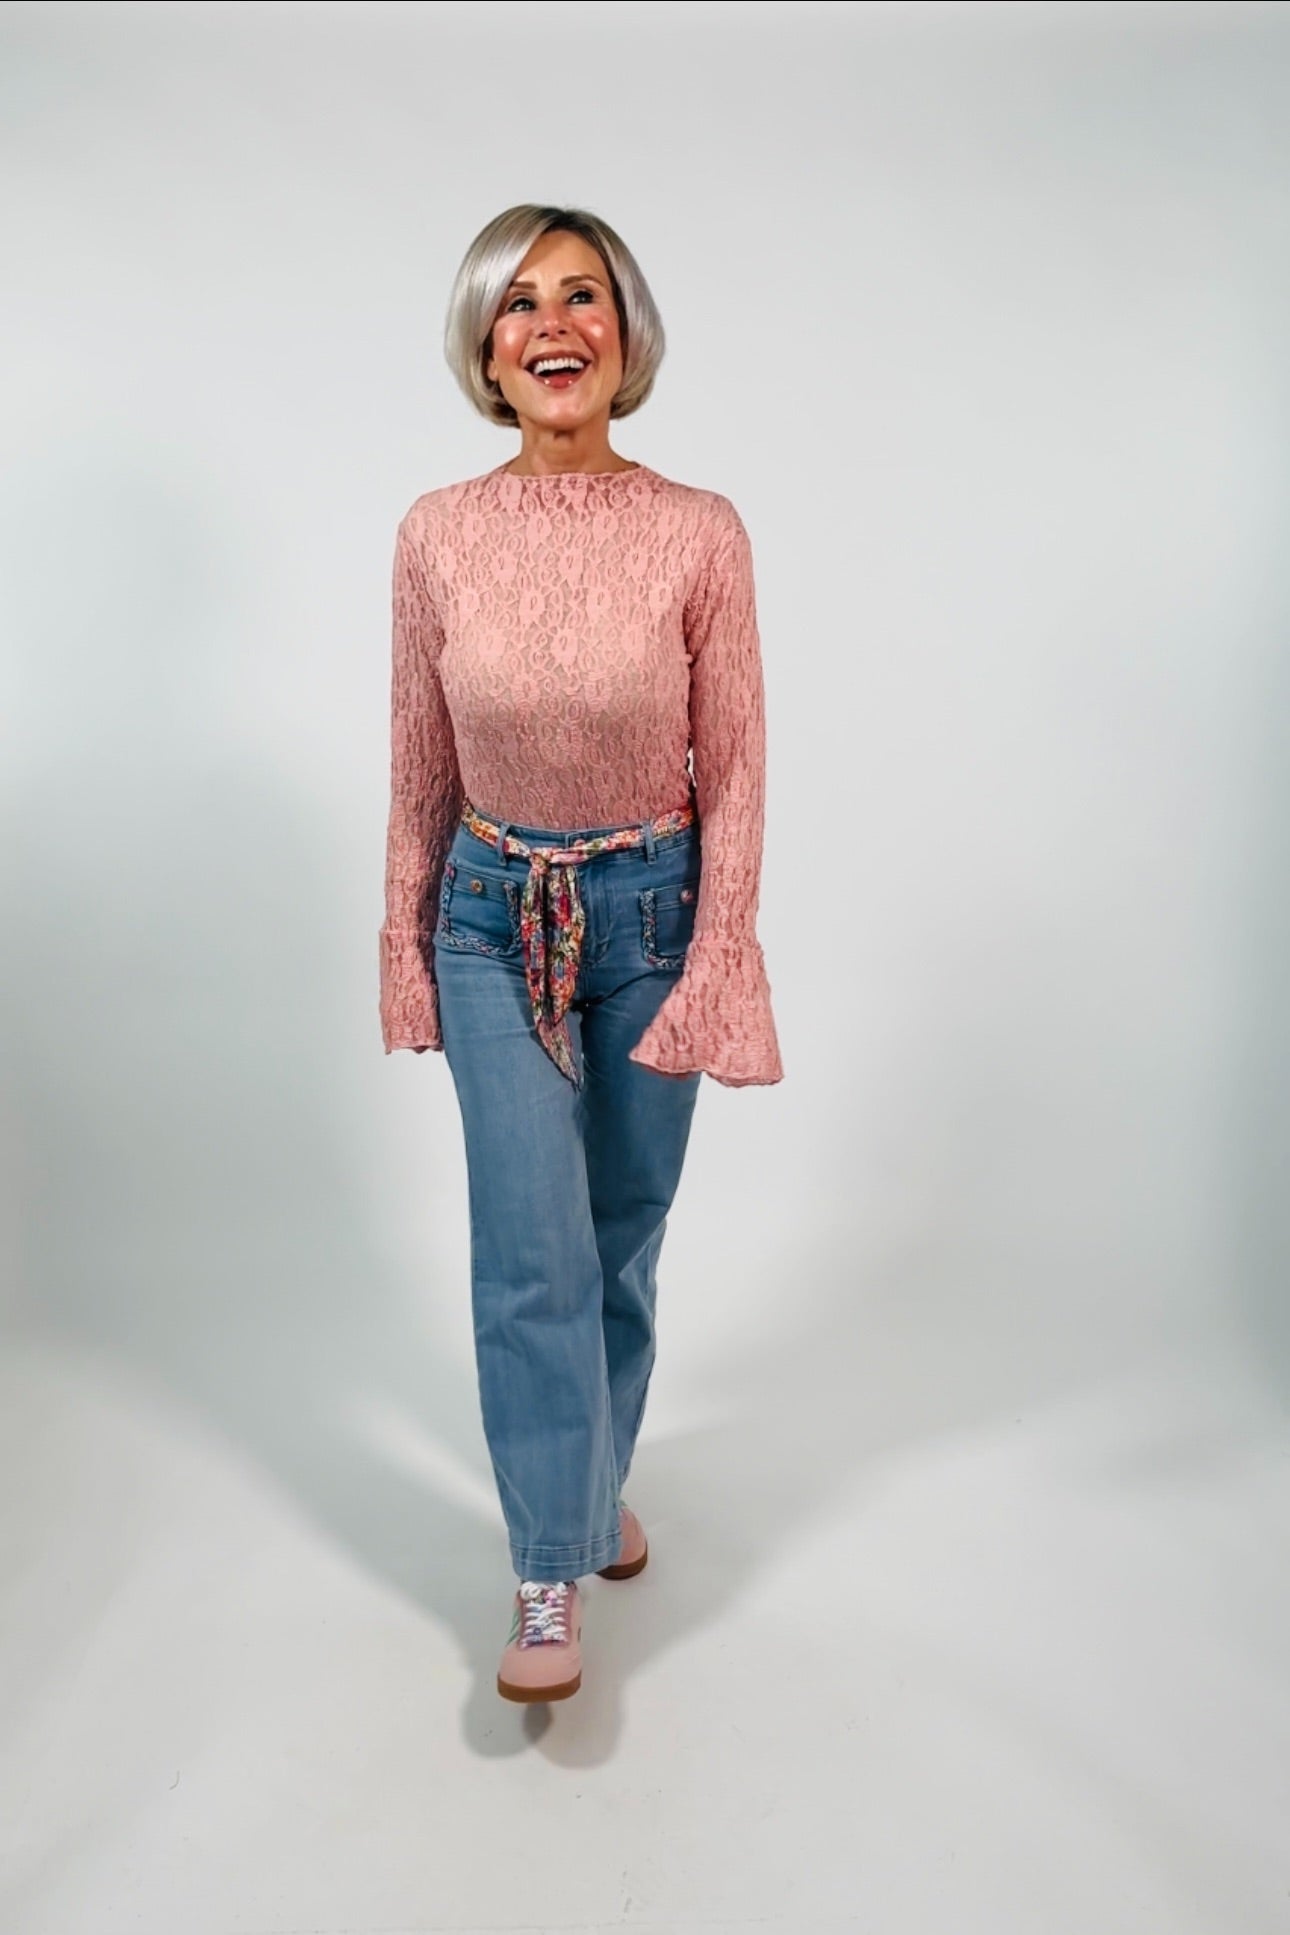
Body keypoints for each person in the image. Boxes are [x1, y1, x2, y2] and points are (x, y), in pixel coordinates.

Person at [378, 204, 783, 1703]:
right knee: (530, 1248)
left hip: (653, 916)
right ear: (487, 350)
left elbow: (735, 765)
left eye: (583, 295)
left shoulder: (701, 531)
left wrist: (721, 946)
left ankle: (591, 1481)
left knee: (620, 1229)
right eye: (520, 302)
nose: (553, 323)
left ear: (625, 334)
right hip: (491, 919)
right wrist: (406, 942)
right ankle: (548, 1565)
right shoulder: (435, 534)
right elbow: (420, 764)